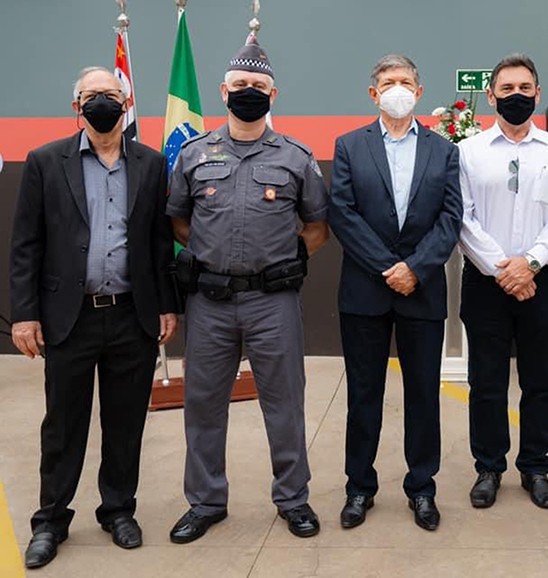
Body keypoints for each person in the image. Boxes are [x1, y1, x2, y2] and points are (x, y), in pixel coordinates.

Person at [9, 66, 178, 569]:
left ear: (125, 103)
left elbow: (159, 242)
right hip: (69, 317)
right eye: (92, 94)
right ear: (76, 106)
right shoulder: (44, 161)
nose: (102, 101)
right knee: (63, 425)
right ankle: (50, 521)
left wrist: (167, 303)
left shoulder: (151, 164)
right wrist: (24, 315)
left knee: (125, 423)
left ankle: (118, 510)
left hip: (132, 315)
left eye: (111, 93)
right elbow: (26, 244)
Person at [165, 36, 329, 543]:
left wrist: (281, 262)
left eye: (258, 85)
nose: (248, 91)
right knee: (203, 405)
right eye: (240, 84)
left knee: (285, 405)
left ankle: (293, 499)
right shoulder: (193, 154)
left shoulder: (296, 157)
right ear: (223, 91)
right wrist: (213, 256)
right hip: (209, 303)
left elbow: (317, 228)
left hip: (271, 303)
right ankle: (206, 502)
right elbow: (179, 221)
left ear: (273, 95)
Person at [328, 55, 462, 532]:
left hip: (421, 291)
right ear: (374, 93)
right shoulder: (349, 146)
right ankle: (359, 487)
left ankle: (422, 488)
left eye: (406, 81)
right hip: (365, 291)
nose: (398, 88)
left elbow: (450, 218)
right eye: (389, 82)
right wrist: (388, 267)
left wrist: (416, 268)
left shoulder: (444, 151)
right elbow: (342, 213)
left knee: (423, 395)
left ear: (419, 92)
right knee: (363, 394)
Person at [458, 53, 548, 510]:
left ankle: (535, 467)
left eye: (524, 88)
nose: (516, 96)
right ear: (491, 96)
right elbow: (462, 217)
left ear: (537, 93)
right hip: (485, 283)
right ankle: (488, 467)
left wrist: (529, 264)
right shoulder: (467, 152)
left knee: (540, 382)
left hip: (541, 282)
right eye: (507, 89)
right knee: (486, 382)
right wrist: (502, 269)